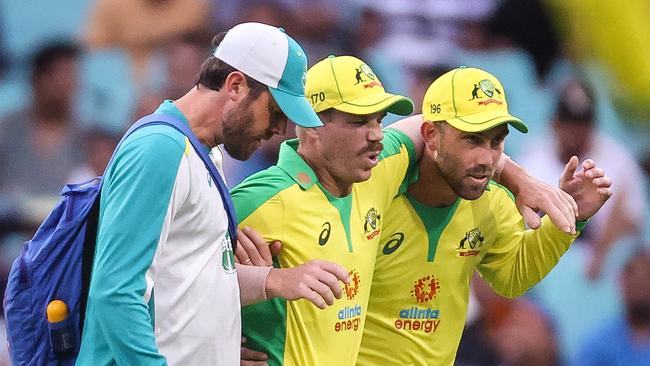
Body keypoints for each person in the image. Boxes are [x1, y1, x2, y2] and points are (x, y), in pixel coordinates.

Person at [233, 57, 583, 365]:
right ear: (309, 125)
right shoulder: (265, 198)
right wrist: (220, 349)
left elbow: (422, 125)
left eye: (378, 120)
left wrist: (521, 179)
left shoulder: (376, 175)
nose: (375, 136)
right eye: (359, 122)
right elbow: (183, 277)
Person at [77, 22, 349, 365]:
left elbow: (186, 285)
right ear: (235, 85)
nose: (280, 129)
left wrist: (272, 284)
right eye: (276, 112)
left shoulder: (204, 154)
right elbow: (116, 294)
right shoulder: (160, 150)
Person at [356, 67, 612, 365]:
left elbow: (513, 277)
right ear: (431, 135)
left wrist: (571, 217)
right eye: (472, 140)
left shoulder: (492, 203)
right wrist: (515, 173)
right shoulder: (377, 185)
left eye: (496, 142)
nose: (486, 159)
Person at [573, 248, 650, 366]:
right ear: (621, 283)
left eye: (646, 276)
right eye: (634, 277)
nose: (640, 284)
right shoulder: (598, 346)